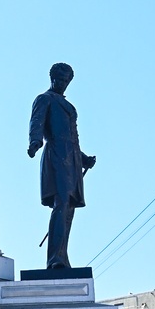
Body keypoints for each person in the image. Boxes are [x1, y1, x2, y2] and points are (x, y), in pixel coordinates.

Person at [27, 62, 96, 270]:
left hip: (72, 160)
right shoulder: (45, 99)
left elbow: (73, 139)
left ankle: (62, 257)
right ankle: (54, 259)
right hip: (56, 155)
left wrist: (84, 159)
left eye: (67, 81)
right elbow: (37, 123)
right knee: (62, 203)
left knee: (69, 209)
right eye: (61, 80)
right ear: (52, 78)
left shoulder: (69, 106)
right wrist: (34, 142)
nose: (63, 84)